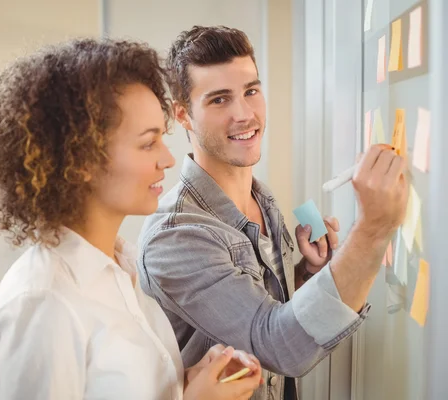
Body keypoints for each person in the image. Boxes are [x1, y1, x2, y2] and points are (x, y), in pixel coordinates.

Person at [0, 38, 263, 400]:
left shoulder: (120, 269)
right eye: (147, 143)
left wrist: (187, 381)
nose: (168, 160)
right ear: (80, 161)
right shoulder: (45, 303)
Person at [138, 25, 409, 400]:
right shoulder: (175, 236)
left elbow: (264, 311)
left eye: (251, 91)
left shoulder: (262, 199)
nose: (244, 114)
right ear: (183, 115)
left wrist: (309, 276)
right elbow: (279, 345)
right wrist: (376, 228)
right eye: (219, 100)